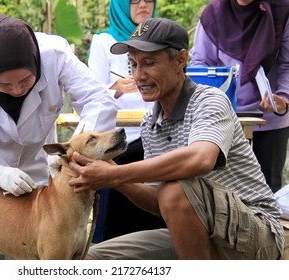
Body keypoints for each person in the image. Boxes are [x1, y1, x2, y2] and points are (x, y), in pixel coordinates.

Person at [68, 18, 285, 259]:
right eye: (133, 65)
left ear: (181, 60)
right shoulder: (150, 123)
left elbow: (201, 159)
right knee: (89, 260)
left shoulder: (210, 101)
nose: (139, 75)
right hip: (198, 233)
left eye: (149, 63)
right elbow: (160, 202)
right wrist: (113, 177)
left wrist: (117, 173)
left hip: (257, 235)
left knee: (175, 187)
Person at [0, 13, 118, 219]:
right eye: (5, 85)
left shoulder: (55, 55)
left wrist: (73, 152)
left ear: (35, 63)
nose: (17, 90)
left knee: (29, 241)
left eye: (26, 80)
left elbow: (99, 99)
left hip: (36, 165)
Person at [189, 0, 289, 193]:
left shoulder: (282, 10)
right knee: (224, 192)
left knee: (268, 192)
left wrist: (283, 97)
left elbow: (288, 63)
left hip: (271, 118)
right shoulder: (214, 13)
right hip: (225, 118)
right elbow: (200, 62)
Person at [88, 0, 164, 240]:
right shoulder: (104, 42)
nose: (143, 5)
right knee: (116, 224)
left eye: (148, 0)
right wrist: (115, 88)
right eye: (134, 1)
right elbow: (90, 94)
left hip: (158, 136)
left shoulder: (162, 40)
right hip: (120, 139)